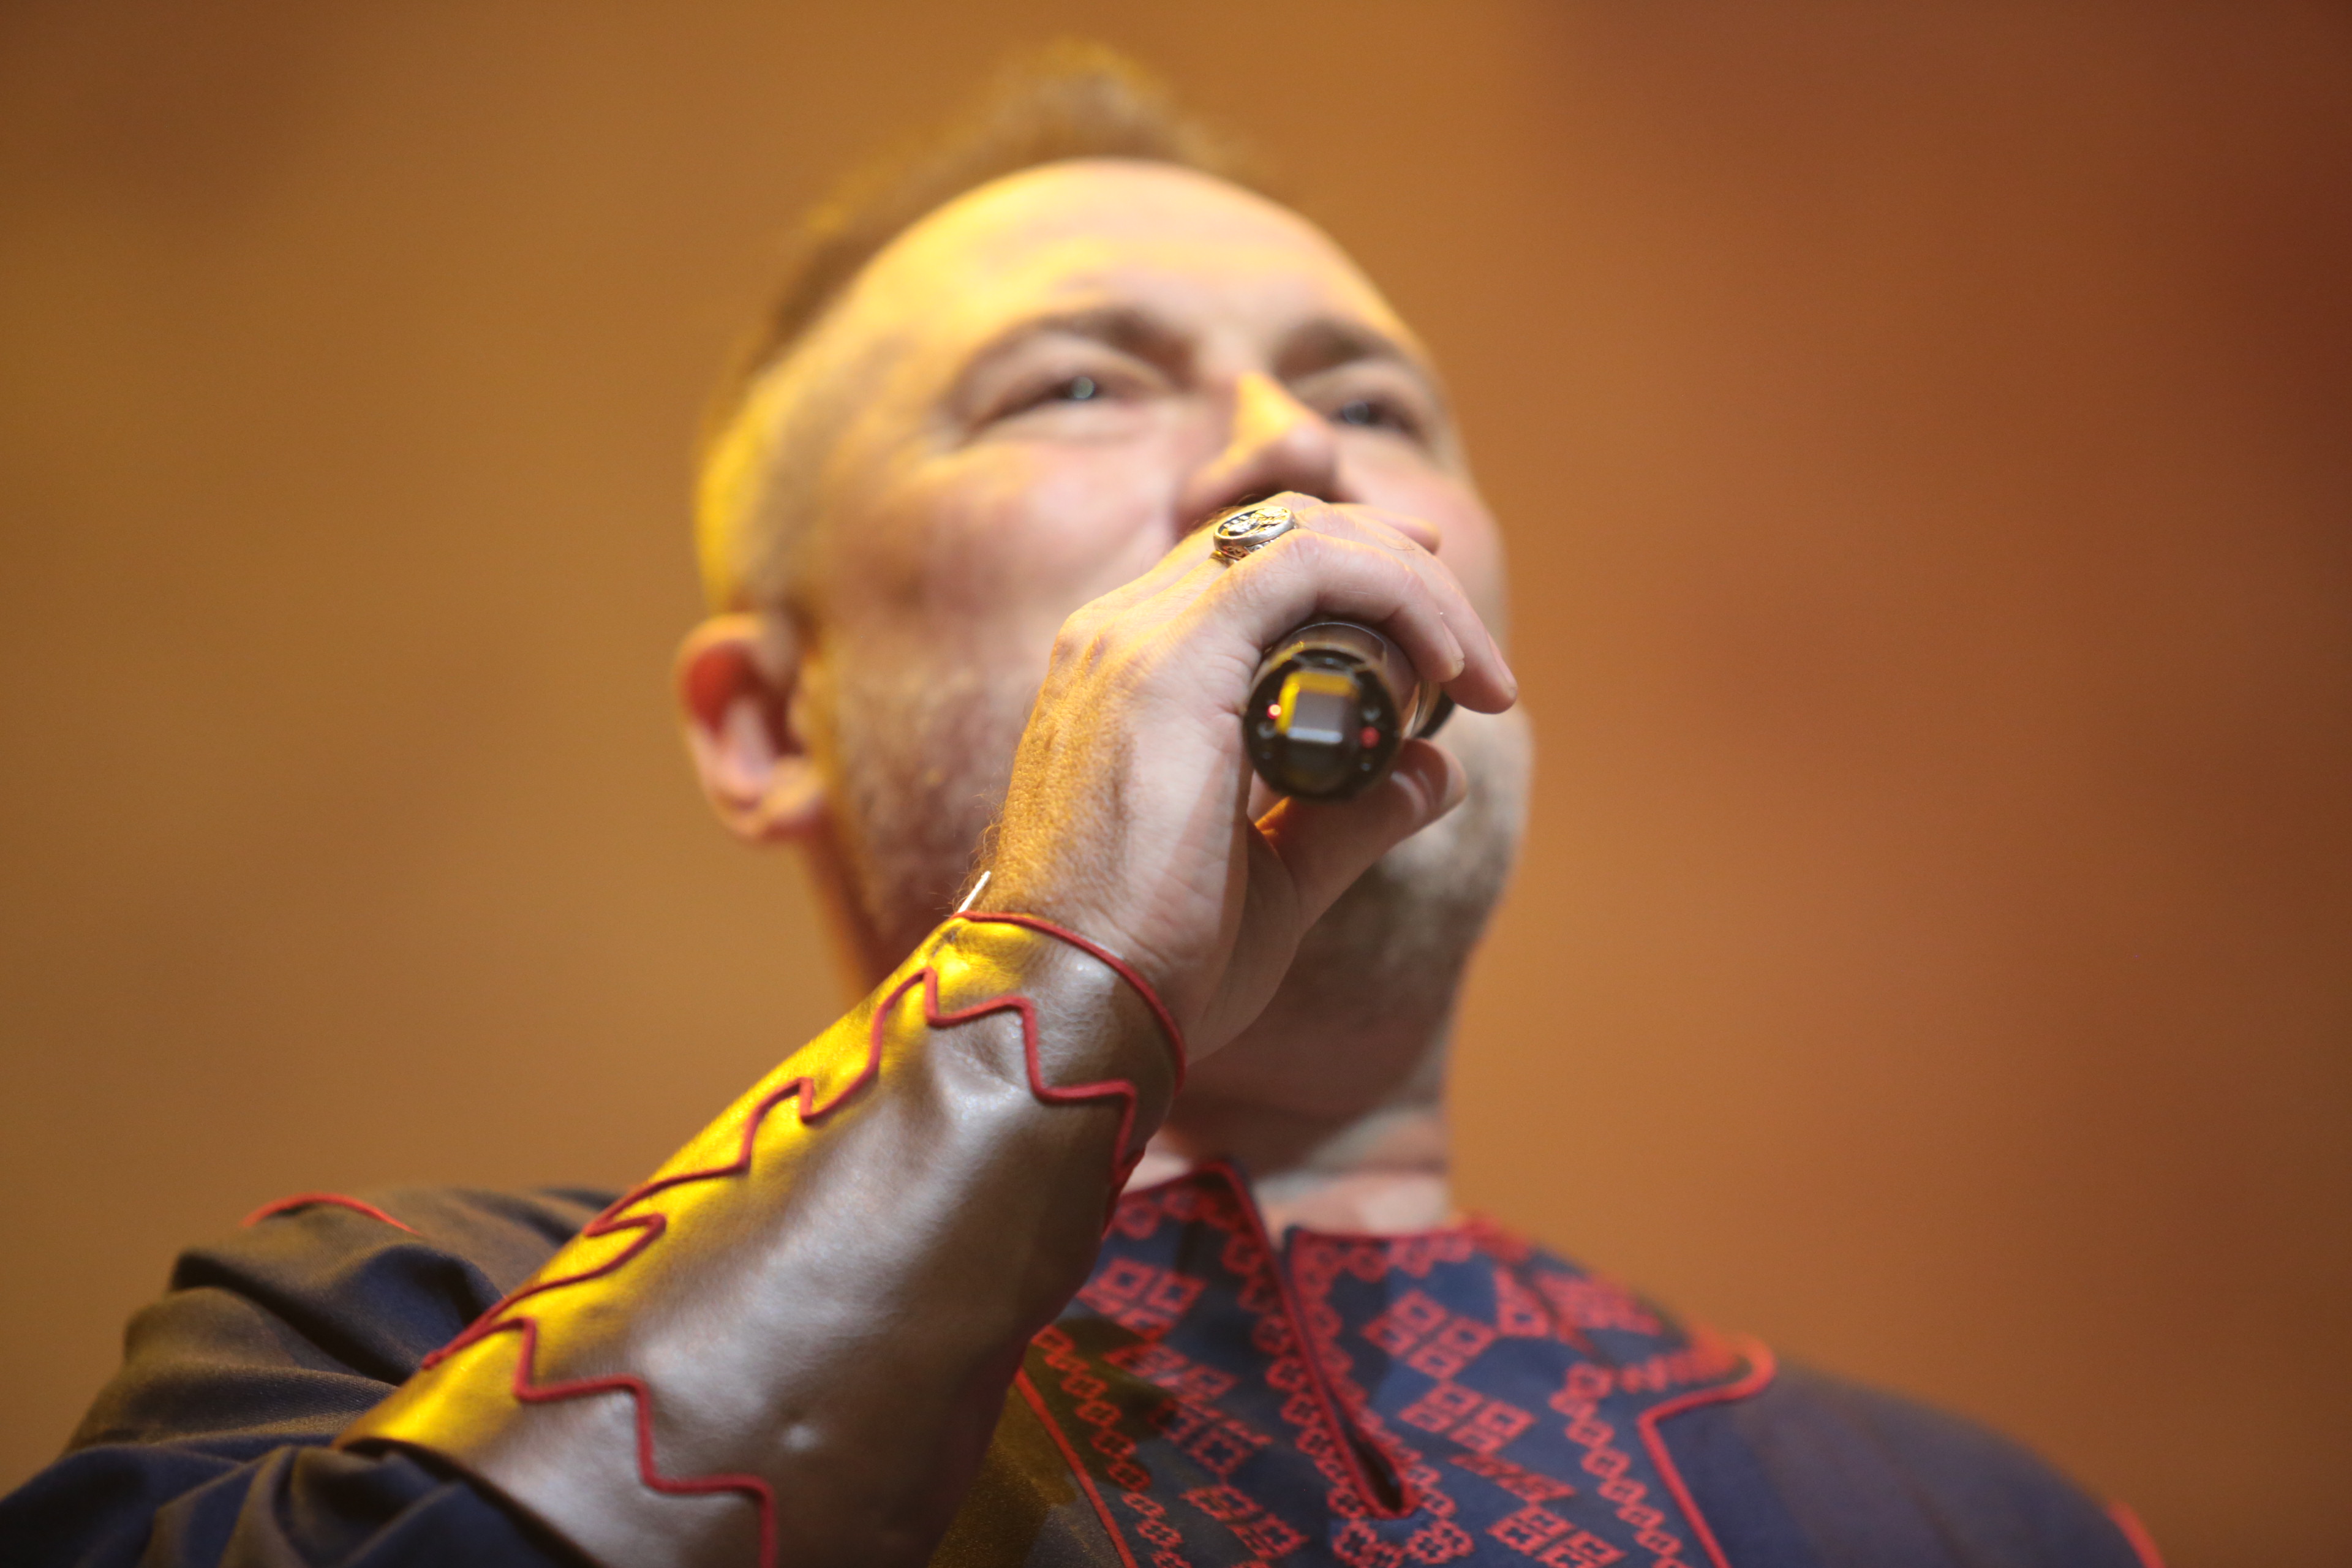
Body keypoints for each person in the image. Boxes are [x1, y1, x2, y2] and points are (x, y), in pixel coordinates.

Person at [0, 47, 2162, 1568]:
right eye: (1079, 384)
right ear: (765, 723)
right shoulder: (379, 1330)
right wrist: (1066, 972)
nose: (1287, 451)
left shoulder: (1986, 1525)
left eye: (1376, 401)